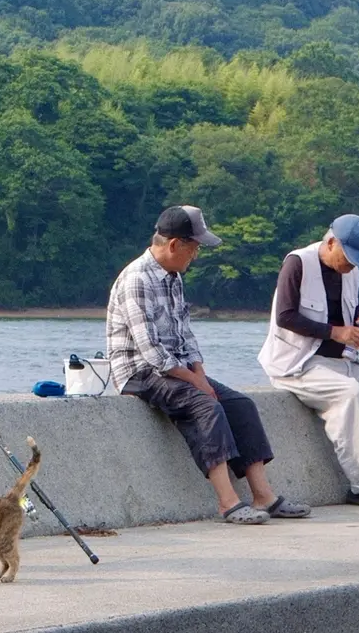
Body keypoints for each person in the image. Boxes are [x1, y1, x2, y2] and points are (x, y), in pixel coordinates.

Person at [106, 205, 311, 524]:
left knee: (240, 404)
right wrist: (197, 383)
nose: (196, 255)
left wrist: (199, 372)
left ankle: (263, 495)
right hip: (140, 373)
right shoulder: (137, 279)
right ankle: (228, 502)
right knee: (205, 406)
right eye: (194, 247)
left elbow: (184, 334)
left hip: (177, 369)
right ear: (174, 245)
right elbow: (151, 352)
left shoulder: (172, 277)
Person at [257, 214, 359, 506]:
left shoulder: (352, 271)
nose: (350, 265)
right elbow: (284, 316)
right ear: (331, 242)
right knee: (350, 395)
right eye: (348, 257)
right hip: (297, 363)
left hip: (343, 362)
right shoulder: (297, 263)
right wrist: (334, 332)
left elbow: (353, 306)